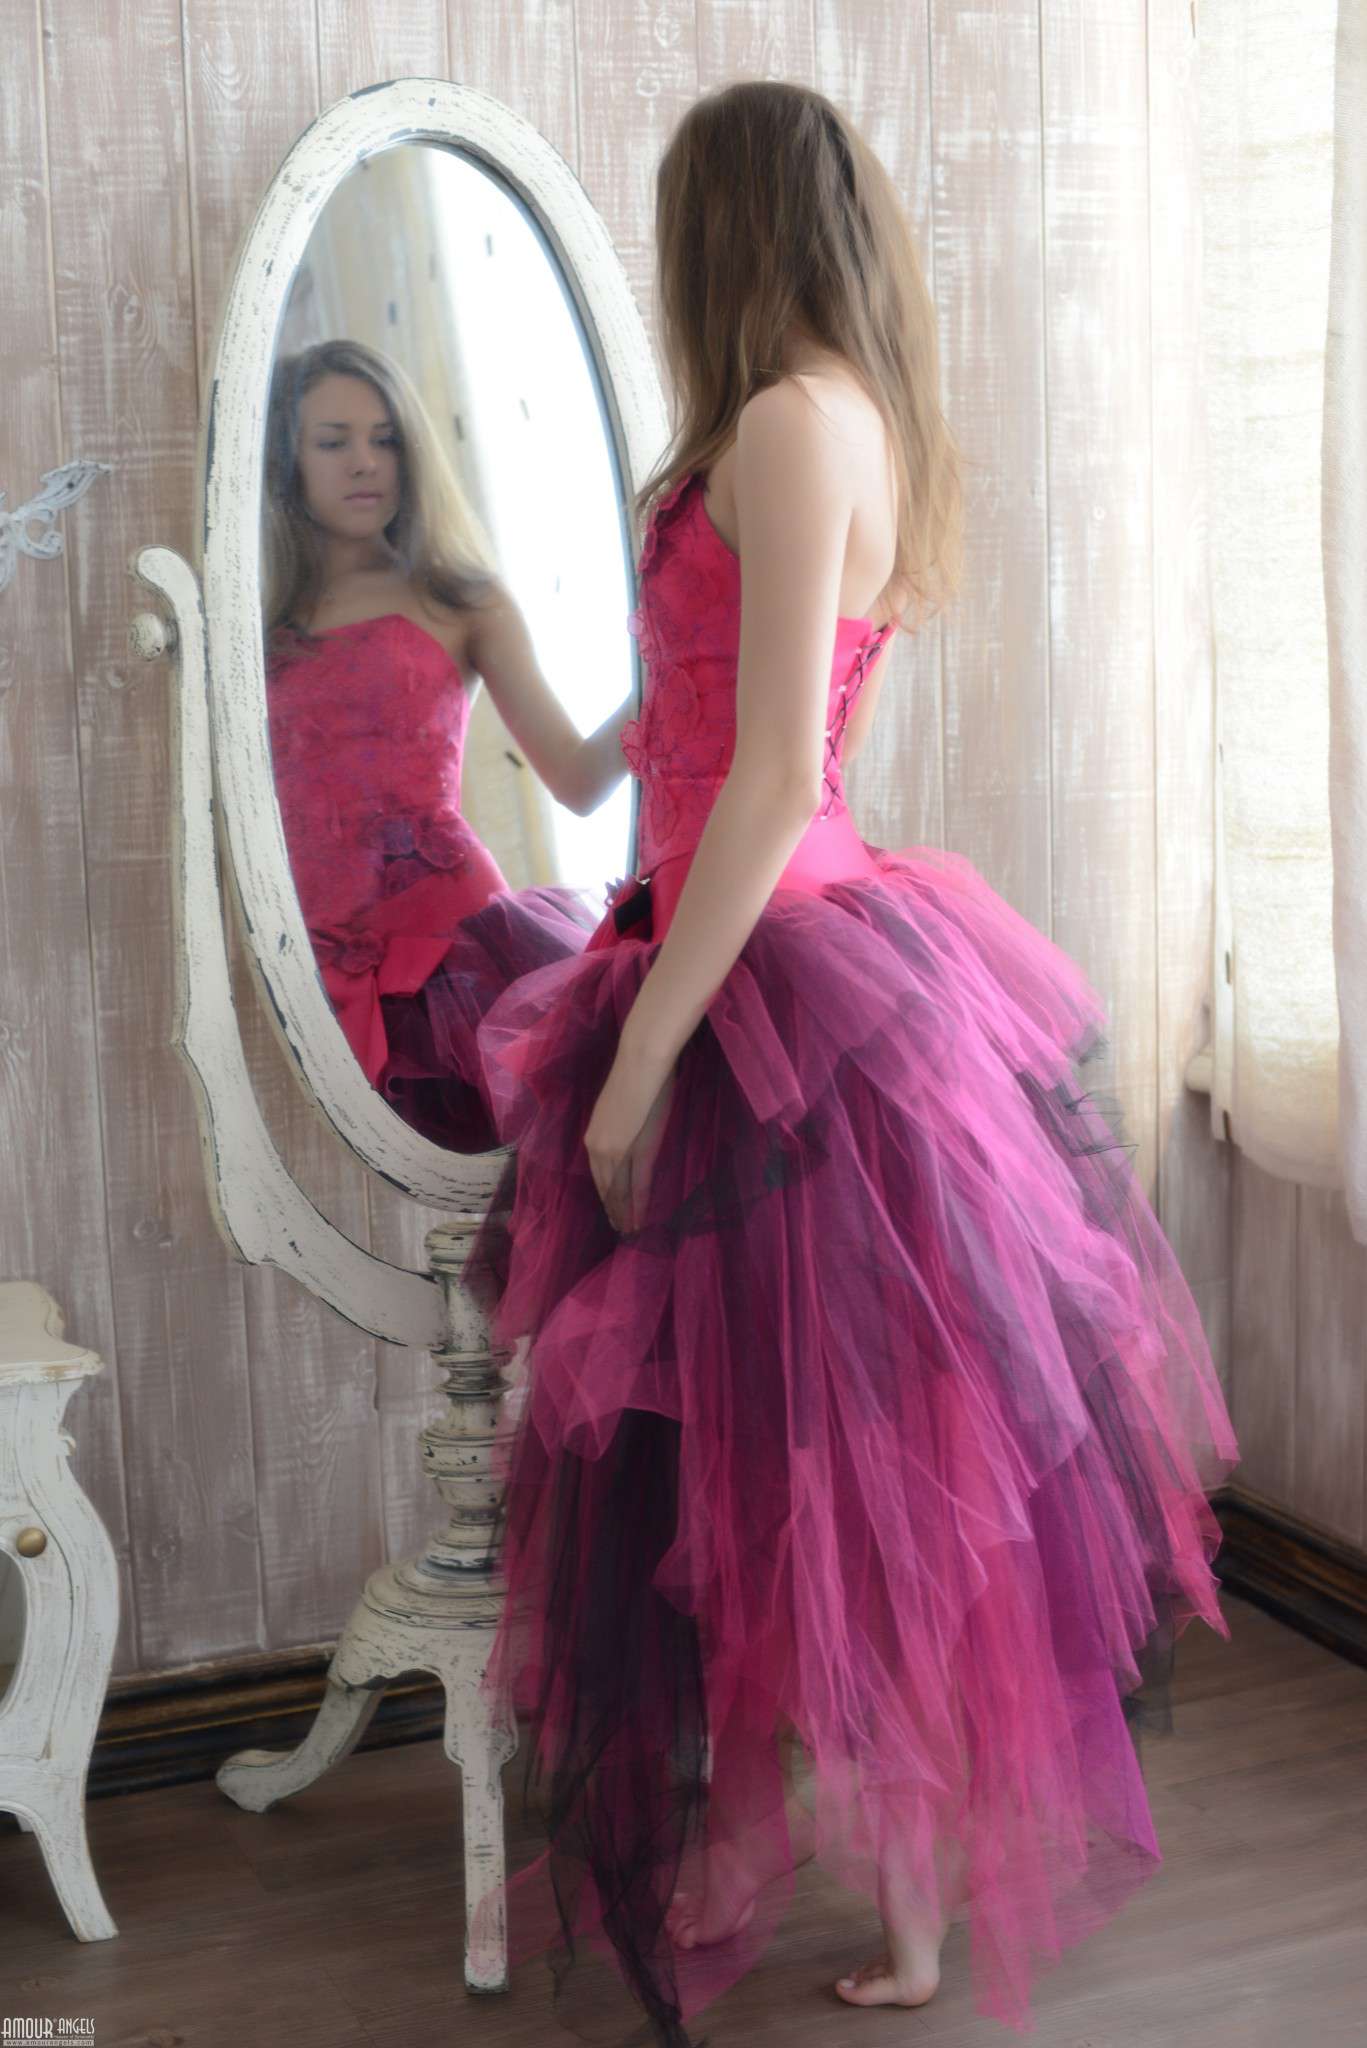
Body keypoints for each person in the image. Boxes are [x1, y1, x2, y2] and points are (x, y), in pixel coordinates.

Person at [469, 80, 1241, 2043]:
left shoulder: (796, 423)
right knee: (778, 1463)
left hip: (780, 982)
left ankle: (894, 1902)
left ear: (724, 230)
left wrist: (642, 1056)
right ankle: (822, 1866)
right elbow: (661, 752)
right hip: (736, 948)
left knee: (846, 1465)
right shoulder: (803, 422)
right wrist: (498, 650)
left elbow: (768, 783)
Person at [262, 338, 630, 1149]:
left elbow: (578, 781)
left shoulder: (461, 600)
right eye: (334, 441)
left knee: (524, 1171)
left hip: (449, 949)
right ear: (287, 459)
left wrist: (672, 674)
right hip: (296, 947)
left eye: (386, 439)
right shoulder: (255, 618)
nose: (365, 462)